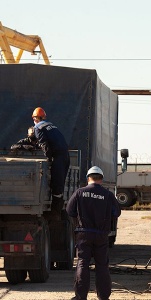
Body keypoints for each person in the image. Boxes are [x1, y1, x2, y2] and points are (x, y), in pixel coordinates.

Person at [66, 166, 121, 300]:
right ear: (101, 179)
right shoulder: (107, 194)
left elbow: (69, 210)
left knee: (83, 263)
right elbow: (117, 212)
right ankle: (103, 296)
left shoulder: (79, 192)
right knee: (102, 265)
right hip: (101, 235)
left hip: (83, 233)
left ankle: (80, 296)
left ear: (88, 178)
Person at [32, 107, 70, 218]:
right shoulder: (51, 125)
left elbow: (44, 144)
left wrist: (48, 160)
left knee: (56, 185)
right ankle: (57, 213)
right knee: (60, 185)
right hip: (65, 156)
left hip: (58, 157)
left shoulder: (38, 128)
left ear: (35, 118)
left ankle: (54, 215)